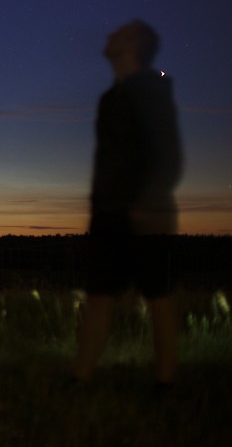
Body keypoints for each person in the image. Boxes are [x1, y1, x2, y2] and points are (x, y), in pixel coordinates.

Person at [72, 19, 183, 387]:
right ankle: (81, 377)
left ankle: (167, 381)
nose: (107, 36)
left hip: (146, 215)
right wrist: (99, 206)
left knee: (158, 295)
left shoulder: (150, 91)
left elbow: (168, 156)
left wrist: (146, 205)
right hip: (109, 212)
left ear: (133, 45)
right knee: (100, 295)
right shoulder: (110, 98)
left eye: (118, 34)